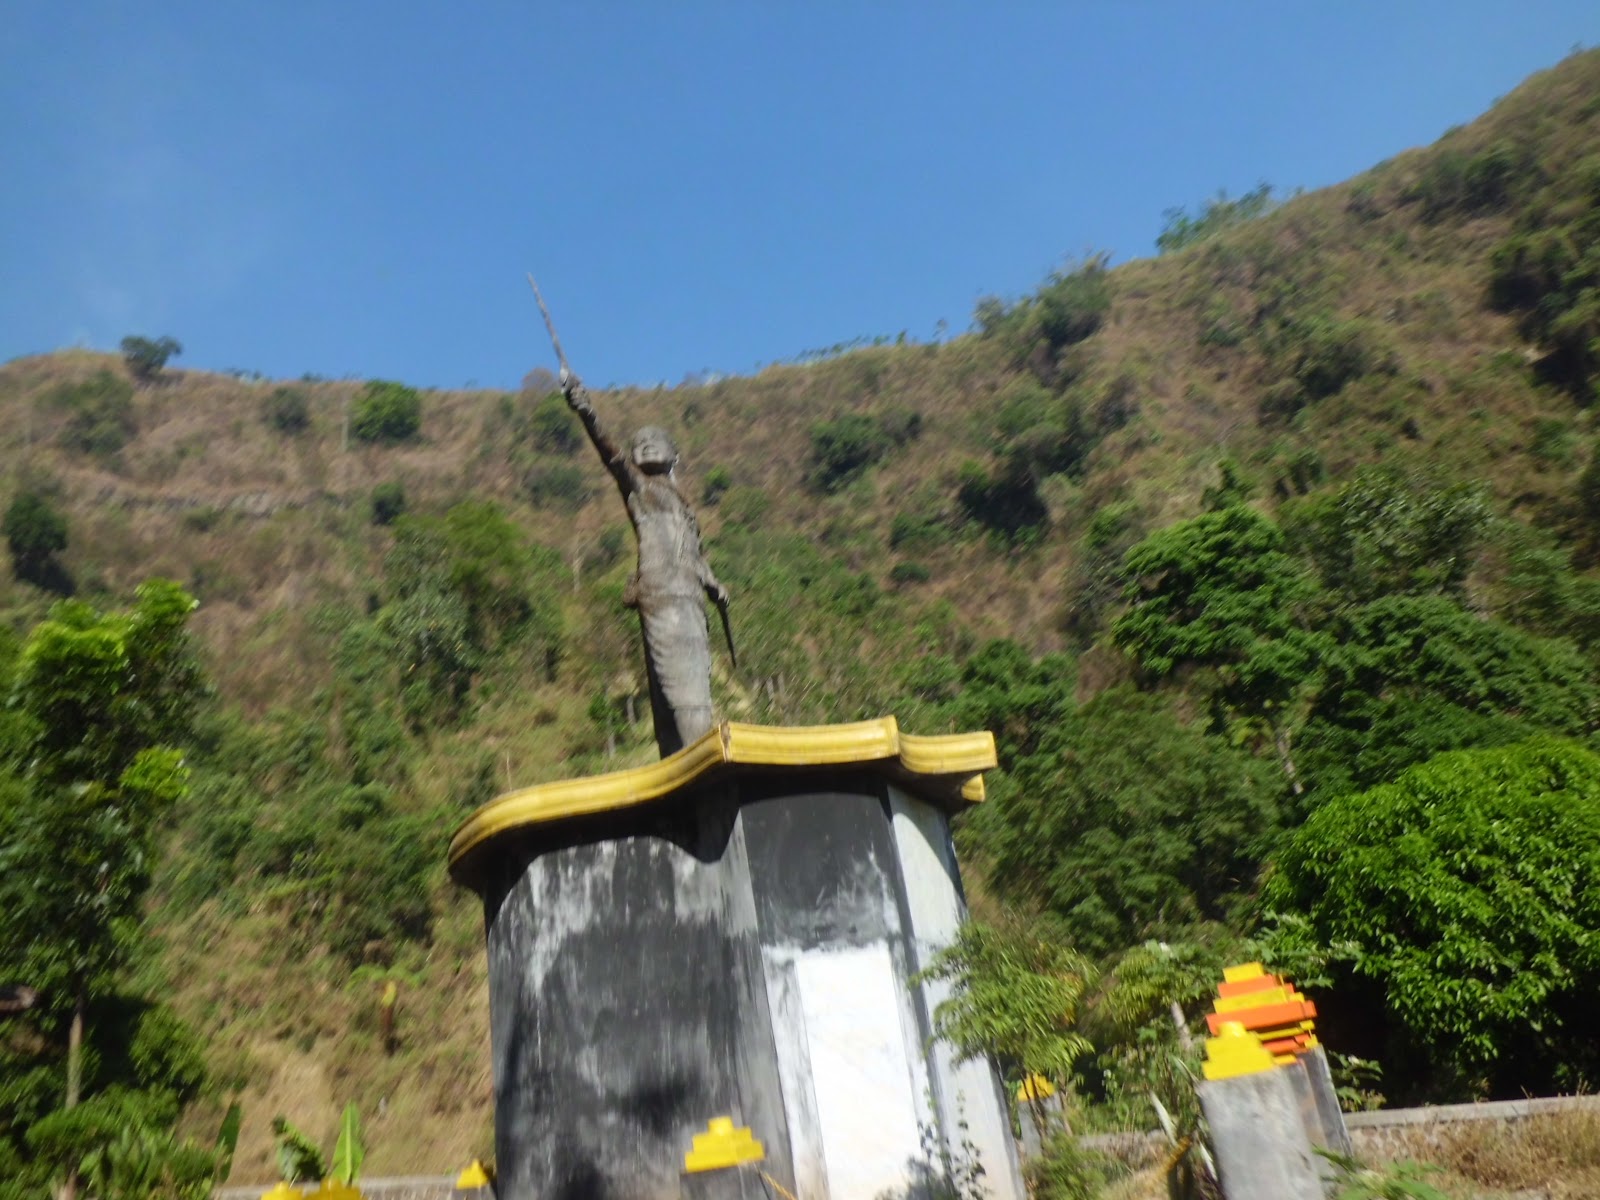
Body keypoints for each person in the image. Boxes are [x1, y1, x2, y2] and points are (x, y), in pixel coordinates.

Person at [562, 371, 729, 755]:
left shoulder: (684, 507)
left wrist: (713, 583)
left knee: (689, 689)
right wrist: (587, 412)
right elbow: (612, 457)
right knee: (682, 692)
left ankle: (691, 761)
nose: (646, 444)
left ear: (675, 455)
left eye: (656, 441)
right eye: (639, 442)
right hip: (663, 596)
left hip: (689, 599)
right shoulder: (642, 492)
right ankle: (693, 762)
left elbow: (694, 555)